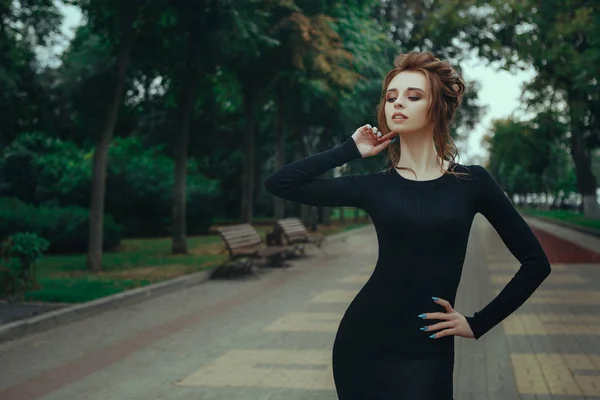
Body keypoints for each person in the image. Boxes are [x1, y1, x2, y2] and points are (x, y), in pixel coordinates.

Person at [264, 51, 551, 399]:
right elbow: (281, 183)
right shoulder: (375, 186)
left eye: (413, 96)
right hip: (363, 344)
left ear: (438, 108)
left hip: (427, 350)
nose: (398, 103)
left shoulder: (473, 183)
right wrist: (348, 151)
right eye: (391, 97)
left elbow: (536, 263)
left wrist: (478, 323)